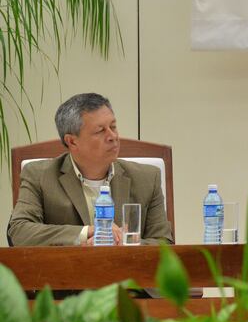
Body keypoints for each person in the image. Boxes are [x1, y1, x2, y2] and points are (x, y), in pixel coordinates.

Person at [8, 93, 174, 246]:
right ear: (72, 142)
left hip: (127, 274)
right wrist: (86, 232)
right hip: (65, 275)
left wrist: (123, 244)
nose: (113, 136)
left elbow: (163, 243)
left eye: (113, 127)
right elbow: (19, 231)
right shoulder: (39, 175)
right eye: (100, 130)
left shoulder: (147, 178)